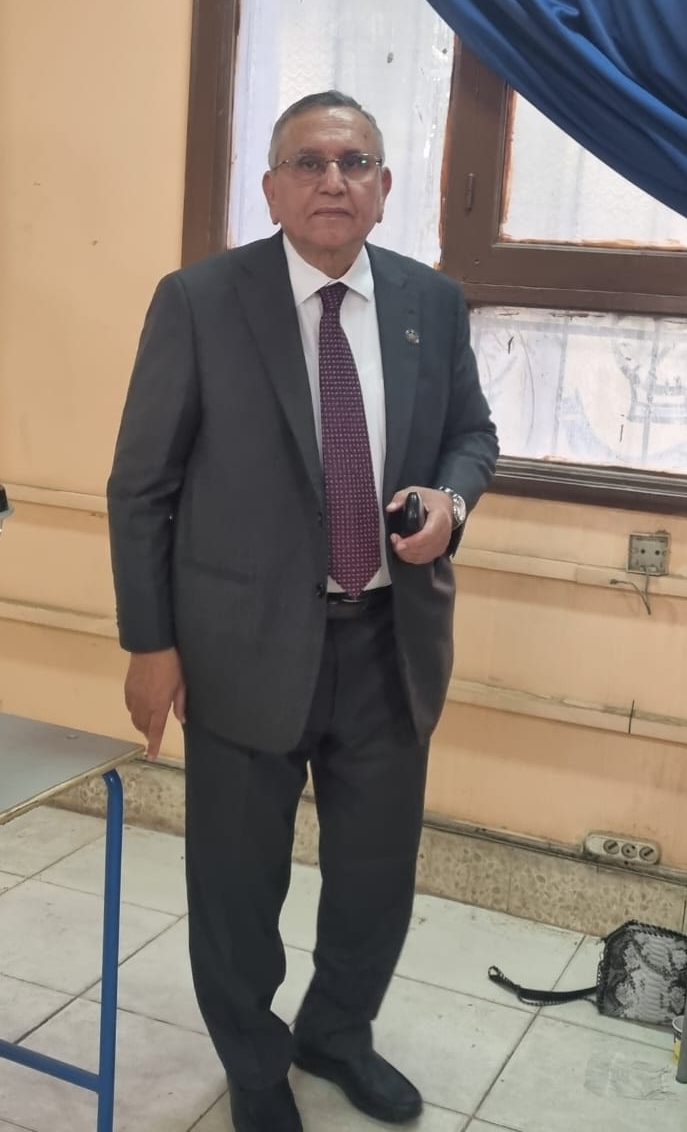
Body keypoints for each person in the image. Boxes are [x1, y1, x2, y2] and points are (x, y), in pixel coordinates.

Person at [107, 91, 498, 1132]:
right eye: (309, 162)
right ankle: (254, 1062)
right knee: (237, 884)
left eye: (354, 161)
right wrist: (151, 642)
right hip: (239, 646)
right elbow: (141, 487)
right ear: (272, 187)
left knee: (375, 879)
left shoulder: (431, 303)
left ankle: (336, 1033)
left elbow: (473, 434)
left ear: (383, 187)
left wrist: (452, 501)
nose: (333, 180)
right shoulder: (200, 301)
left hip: (389, 645)